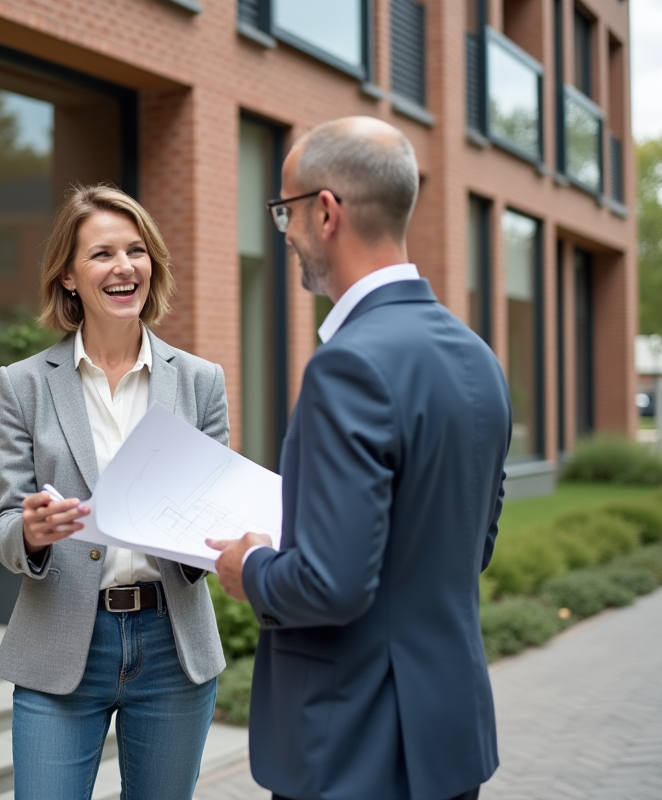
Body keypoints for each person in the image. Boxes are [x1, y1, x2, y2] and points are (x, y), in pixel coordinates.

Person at [209, 117, 512, 800]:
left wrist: (248, 567)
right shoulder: (478, 358)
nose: (285, 232)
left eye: (286, 212)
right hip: (449, 738)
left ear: (325, 212)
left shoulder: (347, 366)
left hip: (355, 749)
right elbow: (471, 547)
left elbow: (331, 586)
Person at [0, 184, 228, 799]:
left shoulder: (200, 382)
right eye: (101, 254)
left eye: (135, 250)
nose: (124, 267)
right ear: (68, 276)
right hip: (60, 643)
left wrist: (206, 530)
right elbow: (4, 523)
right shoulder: (23, 385)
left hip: (172, 646)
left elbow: (214, 519)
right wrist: (31, 533)